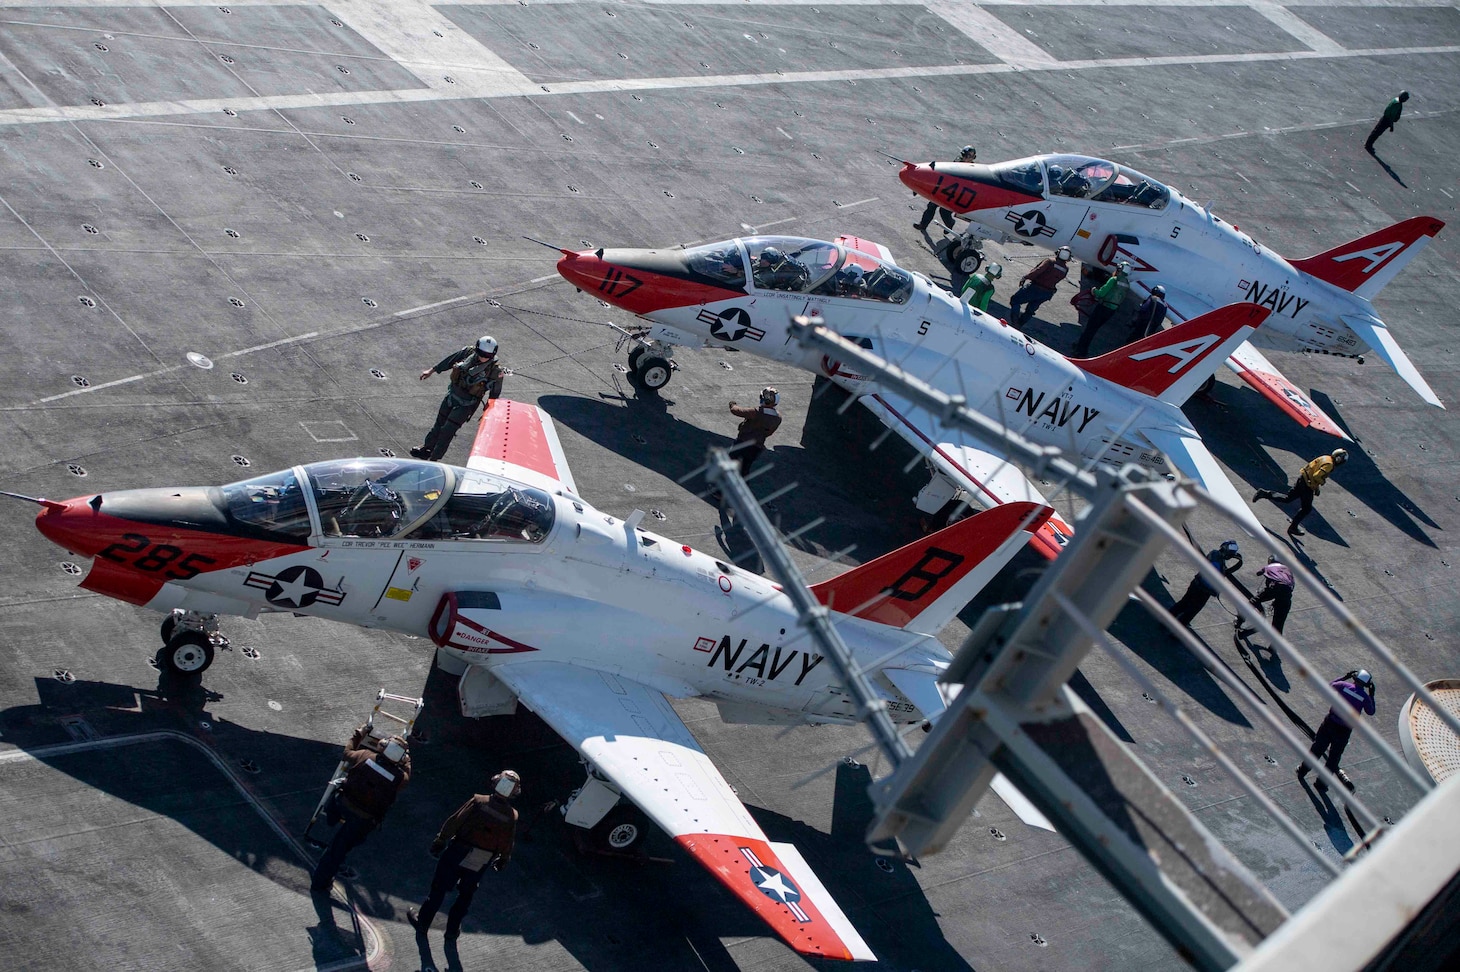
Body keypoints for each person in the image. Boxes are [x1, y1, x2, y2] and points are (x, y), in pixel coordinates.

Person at [408, 771, 521, 939]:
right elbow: (507, 841)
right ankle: (452, 931)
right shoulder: (512, 816)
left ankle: (423, 923)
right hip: (481, 859)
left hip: (458, 851)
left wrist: (441, 840)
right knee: (465, 895)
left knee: (439, 888)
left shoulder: (478, 801)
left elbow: (456, 821)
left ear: (496, 782)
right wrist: (503, 859)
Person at [312, 729, 411, 892]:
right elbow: (408, 773)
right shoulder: (399, 778)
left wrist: (358, 734)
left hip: (343, 804)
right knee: (338, 850)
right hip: (363, 819)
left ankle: (332, 818)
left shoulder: (365, 756)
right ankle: (320, 884)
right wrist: (407, 761)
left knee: (336, 802)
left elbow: (347, 752)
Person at [411, 336, 505, 461]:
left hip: (467, 404)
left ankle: (434, 459)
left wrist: (487, 412)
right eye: (481, 354)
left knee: (447, 431)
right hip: (452, 395)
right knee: (438, 425)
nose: (483, 358)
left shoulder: (495, 370)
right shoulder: (468, 353)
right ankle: (427, 448)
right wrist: (432, 370)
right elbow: (450, 360)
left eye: (487, 355)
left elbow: (495, 393)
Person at [1298, 670, 1375, 792]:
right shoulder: (1364, 698)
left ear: (1354, 677)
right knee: (1333, 758)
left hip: (1330, 723)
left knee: (1317, 749)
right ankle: (1321, 784)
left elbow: (1330, 685)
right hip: (1344, 731)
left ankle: (1302, 771)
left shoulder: (1343, 686)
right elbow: (1371, 711)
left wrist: (1345, 677)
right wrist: (1371, 695)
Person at [1254, 448, 1349, 537]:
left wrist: (1316, 487)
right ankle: (1293, 527)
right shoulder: (1330, 465)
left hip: (1302, 479)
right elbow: (1317, 476)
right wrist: (1321, 482)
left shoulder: (1326, 457)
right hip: (1307, 486)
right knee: (1306, 509)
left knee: (1287, 498)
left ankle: (1264, 493)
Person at [1170, 540, 1242, 627]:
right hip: (1203, 591)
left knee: (1183, 603)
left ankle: (1167, 618)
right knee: (1192, 611)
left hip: (1195, 584)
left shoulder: (1214, 554)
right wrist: (1215, 590)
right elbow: (1210, 579)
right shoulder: (1217, 562)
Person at [1072, 261, 1131, 357]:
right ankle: (1080, 346)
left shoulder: (1114, 280)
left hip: (1103, 307)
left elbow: (1101, 293)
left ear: (1119, 269)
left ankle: (1080, 350)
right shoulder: (1127, 284)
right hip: (1111, 311)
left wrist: (1094, 290)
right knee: (1094, 330)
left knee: (1089, 329)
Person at [915, 145, 977, 230]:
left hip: (955, 194)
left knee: (944, 212)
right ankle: (923, 225)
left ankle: (950, 224)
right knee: (931, 206)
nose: (967, 158)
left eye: (970, 156)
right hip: (945, 189)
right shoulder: (956, 162)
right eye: (965, 155)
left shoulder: (974, 169)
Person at [1008, 246, 1072, 326]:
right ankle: (1019, 325)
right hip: (1047, 293)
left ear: (1058, 252)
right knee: (1030, 311)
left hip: (1034, 288)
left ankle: (1015, 322)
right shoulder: (1066, 269)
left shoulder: (1050, 261)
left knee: (1015, 300)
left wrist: (1026, 277)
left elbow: (1038, 270)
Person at [728, 388, 782, 477]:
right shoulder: (778, 417)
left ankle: (719, 488)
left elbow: (737, 411)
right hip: (756, 447)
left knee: (729, 463)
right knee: (745, 468)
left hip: (742, 443)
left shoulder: (756, 412)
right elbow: (769, 433)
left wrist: (732, 405)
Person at [1245, 556, 1296, 635]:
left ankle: (1240, 619)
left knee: (1253, 601)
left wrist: (1265, 573)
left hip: (1275, 587)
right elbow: (1290, 586)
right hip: (1287, 594)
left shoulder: (1269, 566)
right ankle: (1274, 646)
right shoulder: (1288, 570)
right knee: (1278, 624)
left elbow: (1258, 573)